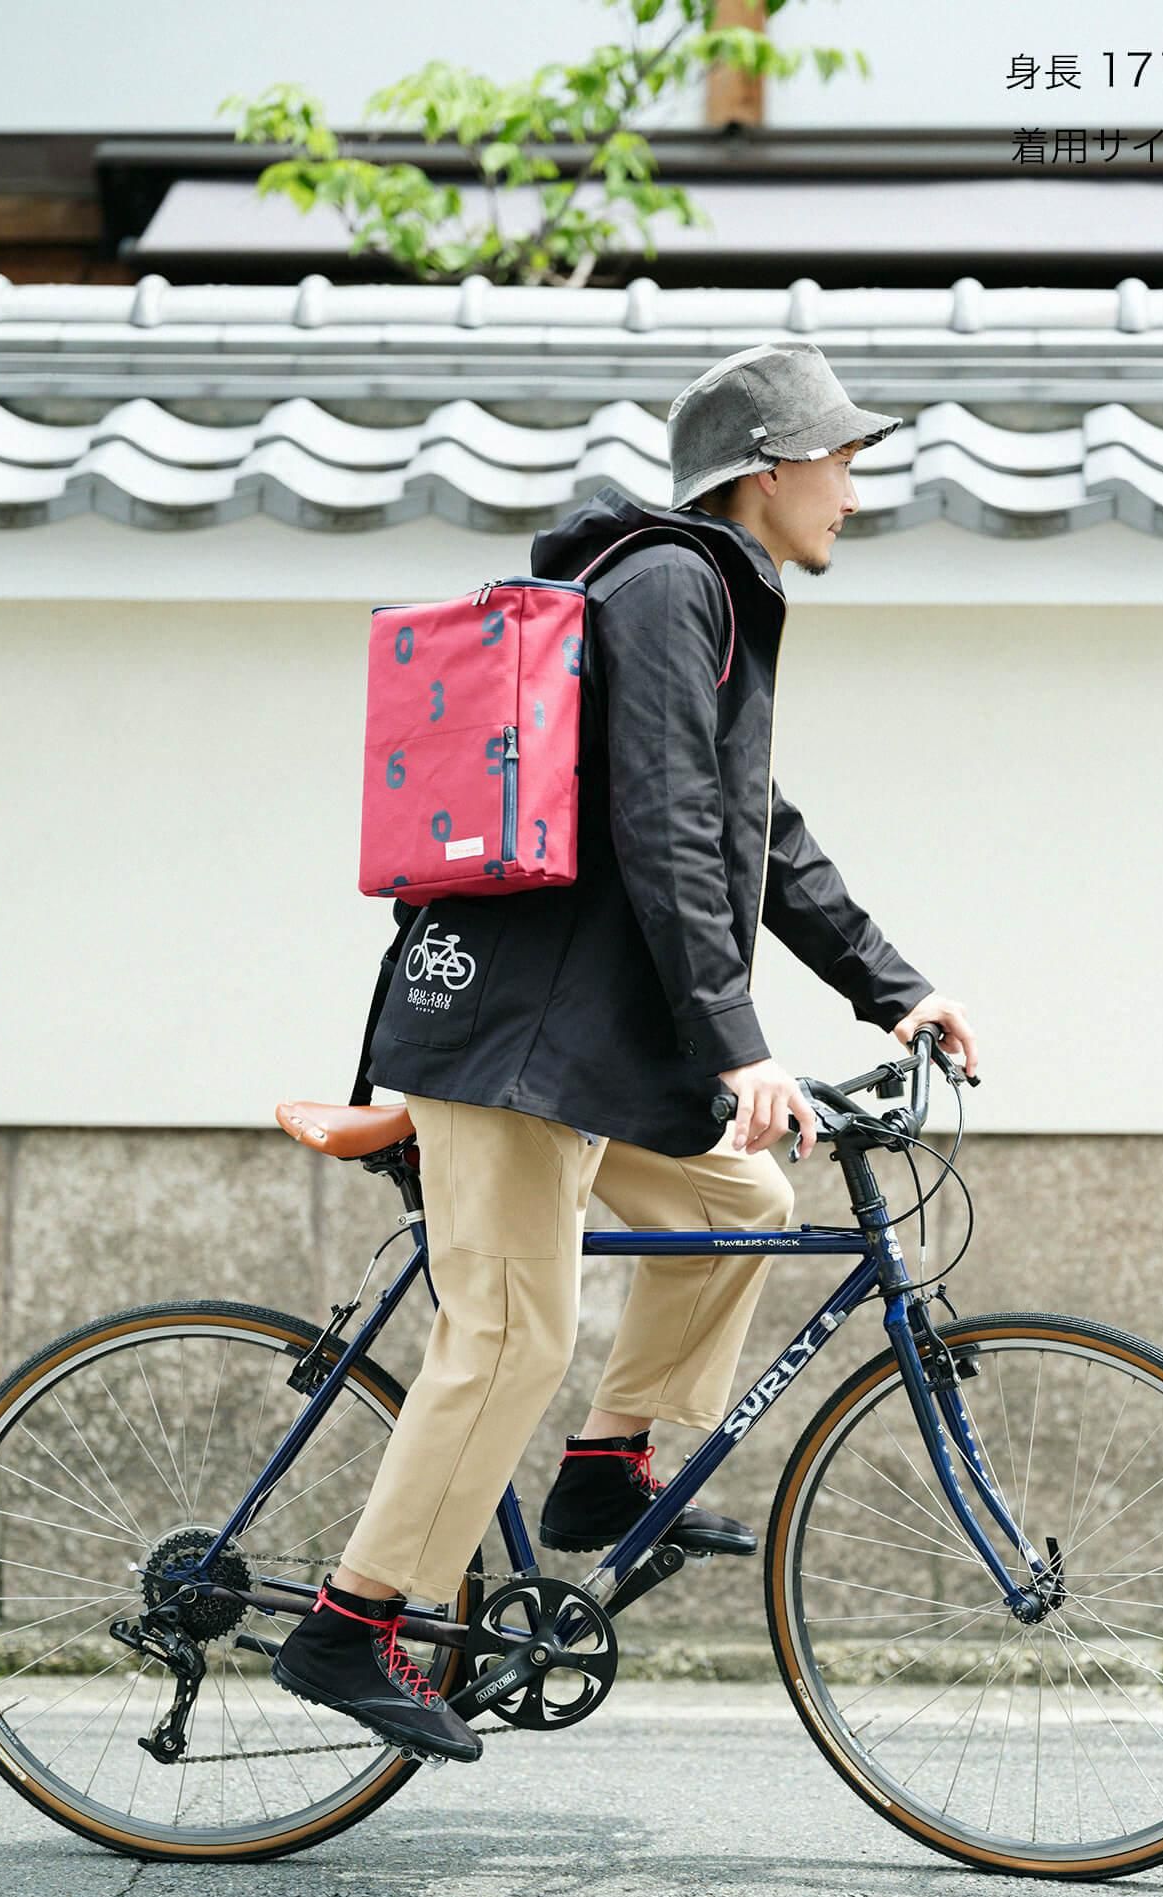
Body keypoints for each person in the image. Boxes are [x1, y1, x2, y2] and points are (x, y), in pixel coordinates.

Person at [270, 340, 979, 1763]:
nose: (853, 485)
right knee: (511, 1332)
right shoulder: (666, 586)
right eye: (840, 459)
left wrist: (889, 989)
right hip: (506, 1039)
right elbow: (659, 821)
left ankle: (606, 1468)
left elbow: (751, 835)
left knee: (738, 1204)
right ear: (767, 470)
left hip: (577, 1040)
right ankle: (351, 1622)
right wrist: (734, 1043)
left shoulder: (714, 595)